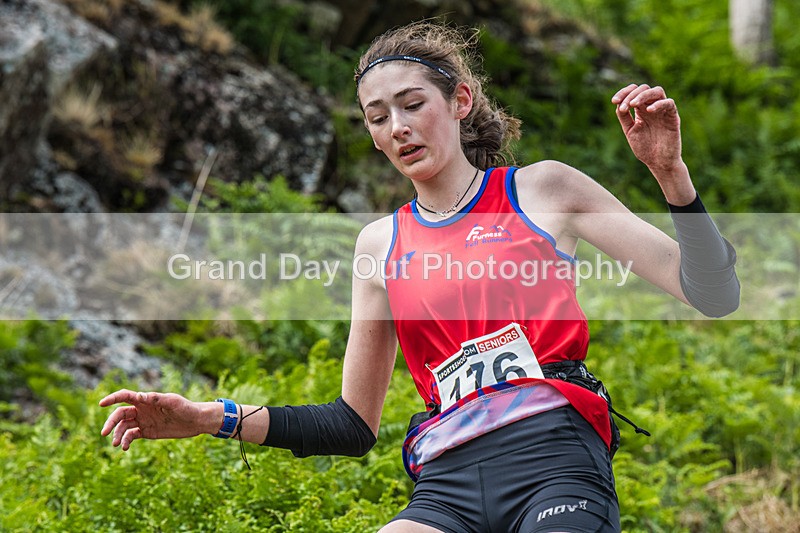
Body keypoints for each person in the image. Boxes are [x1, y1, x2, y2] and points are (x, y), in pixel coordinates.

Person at [100, 21, 739, 532]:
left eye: (412, 105)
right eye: (379, 117)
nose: (398, 127)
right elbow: (352, 425)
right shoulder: (378, 244)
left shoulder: (543, 189)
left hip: (554, 462)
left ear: (460, 101)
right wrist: (213, 417)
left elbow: (713, 293)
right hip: (447, 487)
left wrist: (670, 176)